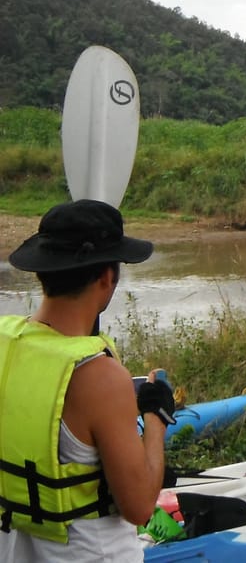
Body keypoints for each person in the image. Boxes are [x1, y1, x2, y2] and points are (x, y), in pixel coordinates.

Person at [1, 199, 175, 561]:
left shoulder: (4, 344)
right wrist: (156, 417)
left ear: (42, 271)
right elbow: (140, 506)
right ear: (107, 277)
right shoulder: (99, 377)